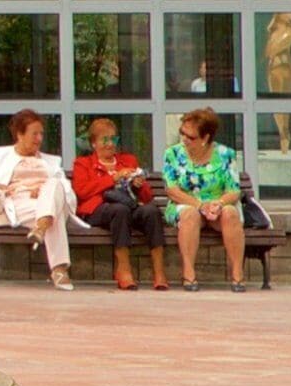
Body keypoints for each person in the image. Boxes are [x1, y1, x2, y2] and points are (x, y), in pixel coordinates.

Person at [0, 109, 77, 290]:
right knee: (53, 214)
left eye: (41, 134)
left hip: (47, 201)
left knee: (54, 185)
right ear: (20, 134)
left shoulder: (51, 162)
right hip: (18, 204)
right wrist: (0, 188)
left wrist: (43, 190)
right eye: (35, 134)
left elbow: (66, 190)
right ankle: (59, 268)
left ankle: (42, 225)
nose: (39, 139)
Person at [71, 118, 167, 290]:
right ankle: (124, 270)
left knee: (151, 211)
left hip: (129, 206)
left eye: (113, 139)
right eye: (104, 140)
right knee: (119, 210)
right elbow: (82, 192)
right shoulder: (83, 164)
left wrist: (138, 185)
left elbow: (147, 197)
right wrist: (112, 178)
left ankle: (159, 273)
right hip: (98, 210)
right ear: (94, 143)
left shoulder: (128, 160)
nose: (110, 144)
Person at [161, 106, 252, 289]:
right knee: (189, 214)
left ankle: (237, 273)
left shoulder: (226, 154)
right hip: (185, 203)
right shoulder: (173, 154)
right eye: (182, 134)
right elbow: (172, 190)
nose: (184, 139)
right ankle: (188, 273)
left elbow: (233, 190)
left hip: (217, 205)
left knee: (230, 213)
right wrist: (200, 205)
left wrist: (218, 204)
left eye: (191, 137)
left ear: (206, 138)